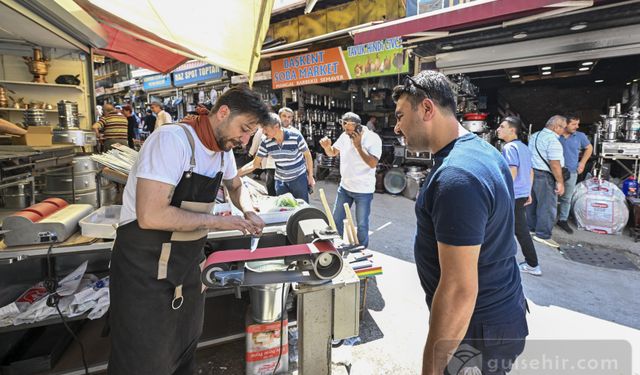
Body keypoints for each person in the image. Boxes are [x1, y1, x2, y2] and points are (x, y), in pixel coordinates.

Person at [108, 86, 270, 375]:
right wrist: (219, 222)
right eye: (244, 129)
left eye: (250, 133)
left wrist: (247, 210)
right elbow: (150, 215)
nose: (245, 141)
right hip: (144, 276)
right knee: (144, 363)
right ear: (223, 113)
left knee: (182, 354)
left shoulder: (223, 151)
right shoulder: (171, 141)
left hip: (186, 271)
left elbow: (235, 186)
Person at [392, 71, 528, 375]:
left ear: (427, 109)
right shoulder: (484, 152)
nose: (397, 127)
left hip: (477, 331)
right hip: (496, 318)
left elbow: (458, 290)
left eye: (400, 116)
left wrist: (432, 368)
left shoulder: (457, 176)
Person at [319, 112, 381, 247]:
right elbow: (332, 153)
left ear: (358, 127)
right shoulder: (344, 136)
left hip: (363, 190)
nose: (346, 131)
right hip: (345, 187)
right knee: (336, 220)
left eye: (349, 128)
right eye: (344, 127)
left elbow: (372, 164)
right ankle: (336, 247)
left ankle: (362, 250)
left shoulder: (373, 138)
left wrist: (358, 146)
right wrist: (326, 148)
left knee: (362, 224)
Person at [497, 117, 541, 276]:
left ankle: (532, 264)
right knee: (514, 228)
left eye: (502, 126)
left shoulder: (509, 148)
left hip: (512, 194)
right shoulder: (524, 147)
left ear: (512, 130)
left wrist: (502, 192)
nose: (498, 129)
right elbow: (530, 172)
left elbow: (512, 172)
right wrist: (528, 192)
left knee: (516, 229)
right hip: (521, 194)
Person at [238, 113, 315, 203]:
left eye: (266, 129)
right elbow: (255, 164)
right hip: (280, 180)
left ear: (276, 126)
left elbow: (307, 155)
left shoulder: (295, 136)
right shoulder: (266, 141)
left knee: (302, 208)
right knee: (283, 208)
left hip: (298, 178)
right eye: (262, 129)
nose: (263, 132)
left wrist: (310, 176)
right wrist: (235, 174)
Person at [527, 115, 567, 248]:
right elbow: (555, 164)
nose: (564, 131)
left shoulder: (535, 136)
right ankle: (543, 235)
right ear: (556, 127)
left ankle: (531, 229)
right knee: (547, 207)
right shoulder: (553, 141)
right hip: (545, 176)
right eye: (563, 128)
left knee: (532, 204)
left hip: (532, 174)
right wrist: (560, 182)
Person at [557, 114, 593, 234]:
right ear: (565, 124)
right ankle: (547, 220)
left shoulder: (580, 136)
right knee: (551, 197)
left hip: (571, 171)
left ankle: (562, 220)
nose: (577, 126)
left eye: (577, 124)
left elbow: (589, 148)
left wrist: (582, 163)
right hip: (555, 170)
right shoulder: (555, 134)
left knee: (567, 197)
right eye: (573, 124)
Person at [248, 125, 276, 196]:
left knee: (271, 186)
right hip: (268, 163)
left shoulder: (260, 131)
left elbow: (255, 143)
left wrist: (250, 153)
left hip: (269, 164)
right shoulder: (265, 136)